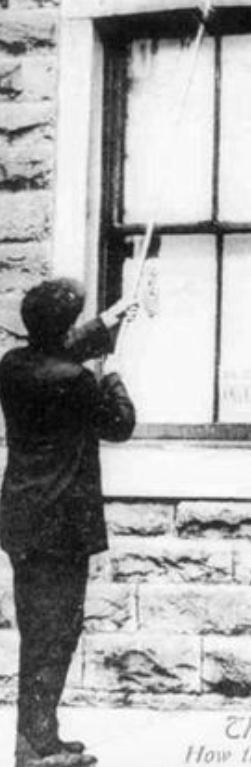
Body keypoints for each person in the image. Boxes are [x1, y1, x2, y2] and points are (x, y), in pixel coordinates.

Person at [0, 279, 138, 767]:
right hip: (60, 529)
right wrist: (115, 372)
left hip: (22, 524)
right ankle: (34, 748)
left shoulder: (12, 366)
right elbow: (120, 424)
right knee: (55, 633)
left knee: (39, 630)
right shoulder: (77, 382)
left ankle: (41, 737)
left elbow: (57, 351)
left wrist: (112, 318)